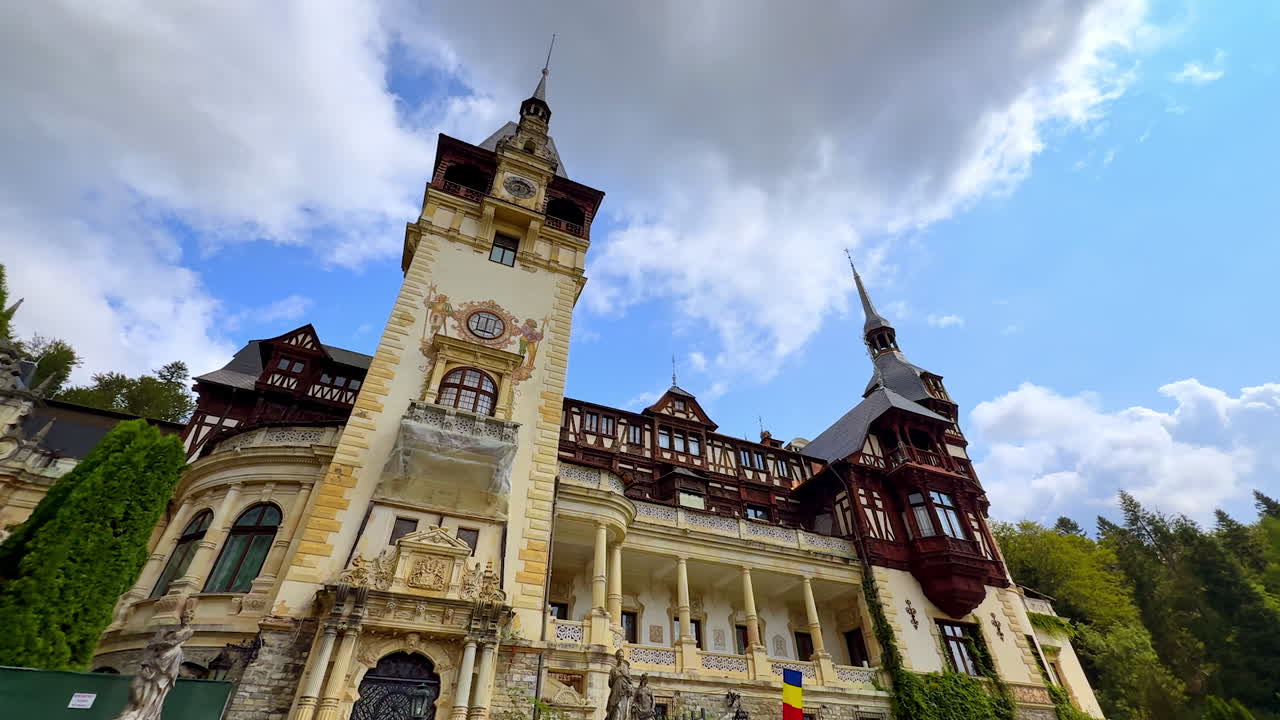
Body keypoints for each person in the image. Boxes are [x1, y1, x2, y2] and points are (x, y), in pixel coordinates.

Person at [115, 603, 196, 720]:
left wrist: (160, 643)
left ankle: (144, 713)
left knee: (157, 686)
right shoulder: (170, 631)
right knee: (137, 685)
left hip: (171, 655)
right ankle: (135, 710)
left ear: (191, 619)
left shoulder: (189, 631)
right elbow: (156, 642)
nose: (186, 619)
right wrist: (159, 641)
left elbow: (173, 643)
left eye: (188, 618)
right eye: (184, 617)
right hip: (158, 655)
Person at [605, 648, 633, 720]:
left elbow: (630, 680)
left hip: (623, 692)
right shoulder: (613, 669)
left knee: (620, 710)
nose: (621, 658)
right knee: (614, 710)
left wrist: (624, 674)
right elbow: (610, 684)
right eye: (620, 656)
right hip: (615, 692)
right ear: (617, 657)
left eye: (622, 656)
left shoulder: (625, 668)